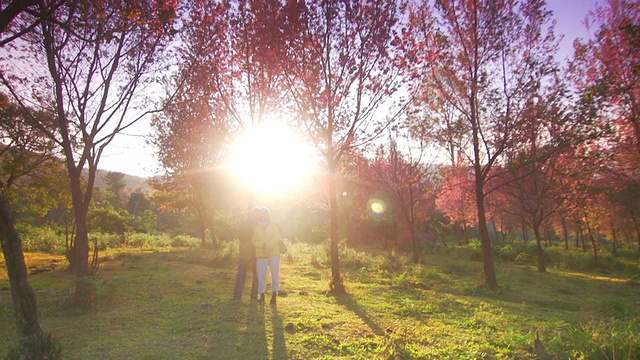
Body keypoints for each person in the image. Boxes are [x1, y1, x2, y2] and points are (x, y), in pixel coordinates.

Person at [251, 206, 281, 305]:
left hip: (274, 253)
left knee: (274, 274)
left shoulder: (274, 226)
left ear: (268, 215)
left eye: (264, 214)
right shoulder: (257, 228)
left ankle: (274, 295)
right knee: (261, 275)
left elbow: (276, 238)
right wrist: (263, 245)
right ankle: (262, 295)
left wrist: (269, 246)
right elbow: (254, 241)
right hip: (261, 254)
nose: (262, 216)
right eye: (261, 215)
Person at [233, 207, 260, 301]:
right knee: (241, 274)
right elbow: (241, 236)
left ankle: (254, 295)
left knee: (256, 275)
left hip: (257, 254)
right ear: (251, 215)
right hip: (245, 252)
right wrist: (251, 233)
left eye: (257, 215)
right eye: (254, 214)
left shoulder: (260, 225)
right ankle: (237, 295)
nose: (255, 216)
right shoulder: (244, 224)